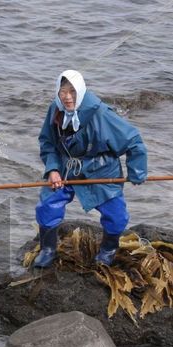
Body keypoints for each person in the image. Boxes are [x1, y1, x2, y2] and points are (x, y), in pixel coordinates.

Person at [33, 69, 148, 268]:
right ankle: (48, 248)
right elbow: (47, 142)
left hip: (101, 171)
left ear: (81, 90)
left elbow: (133, 141)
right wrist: (52, 169)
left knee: (116, 215)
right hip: (65, 168)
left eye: (72, 91)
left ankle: (108, 249)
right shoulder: (55, 109)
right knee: (48, 204)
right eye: (62, 91)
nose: (67, 97)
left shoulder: (102, 114)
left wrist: (137, 171)